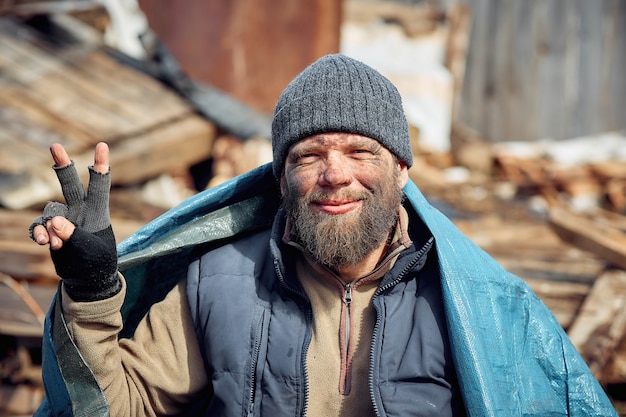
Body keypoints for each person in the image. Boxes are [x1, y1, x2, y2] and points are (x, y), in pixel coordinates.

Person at [30, 54, 616, 417]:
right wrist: (91, 289)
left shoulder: (473, 302)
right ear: (280, 177)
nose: (335, 173)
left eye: (361, 150)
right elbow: (116, 409)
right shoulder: (219, 283)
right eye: (310, 155)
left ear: (402, 171)